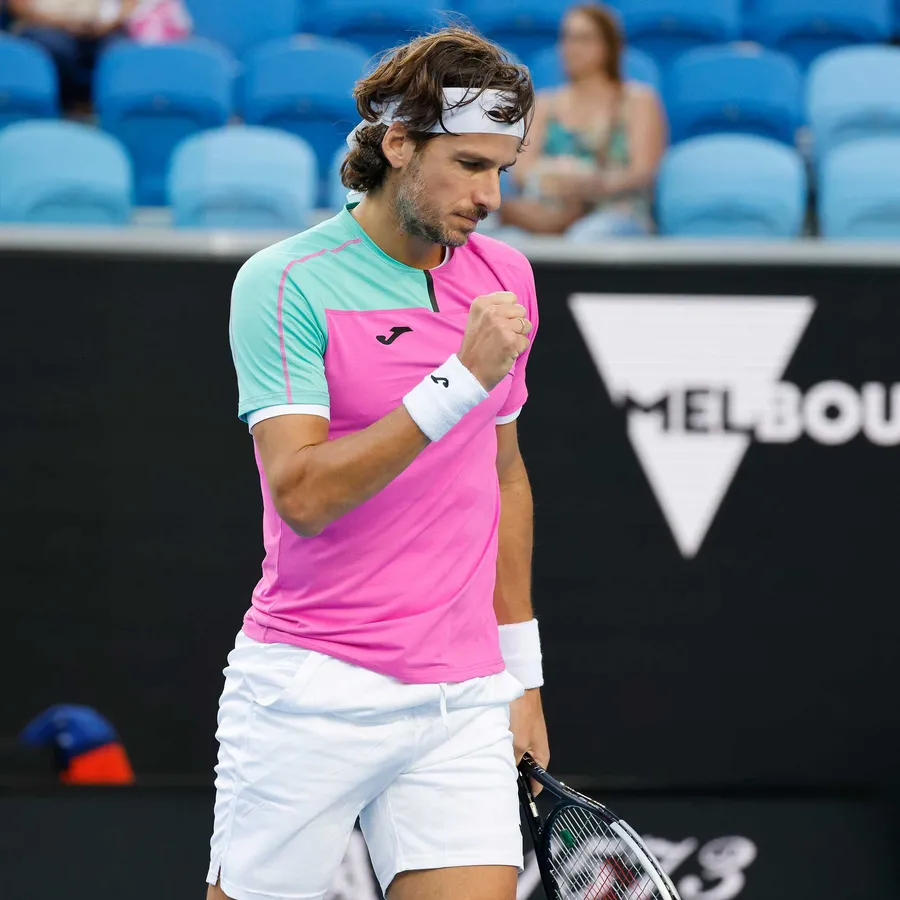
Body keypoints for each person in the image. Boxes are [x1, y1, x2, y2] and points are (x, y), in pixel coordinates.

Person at [207, 26, 550, 900]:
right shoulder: (285, 281)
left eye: (502, 169)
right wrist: (457, 379)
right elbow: (302, 494)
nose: (491, 196)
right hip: (311, 690)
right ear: (398, 145)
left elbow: (503, 475)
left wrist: (523, 679)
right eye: (468, 165)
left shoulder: (506, 278)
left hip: (463, 697)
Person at [500, 2, 667, 240]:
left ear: (609, 46)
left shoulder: (638, 100)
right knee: (504, 239)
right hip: (549, 211)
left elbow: (643, 172)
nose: (571, 48)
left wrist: (591, 184)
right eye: (567, 38)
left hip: (616, 212)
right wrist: (552, 180)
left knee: (587, 236)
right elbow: (521, 169)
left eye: (584, 39)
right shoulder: (545, 103)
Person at [9, 0, 139, 108]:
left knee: (121, 52)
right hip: (45, 24)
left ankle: (114, 114)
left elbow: (129, 5)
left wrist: (107, 24)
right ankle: (62, 109)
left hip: (102, 27)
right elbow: (20, 7)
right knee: (56, 48)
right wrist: (64, 23)